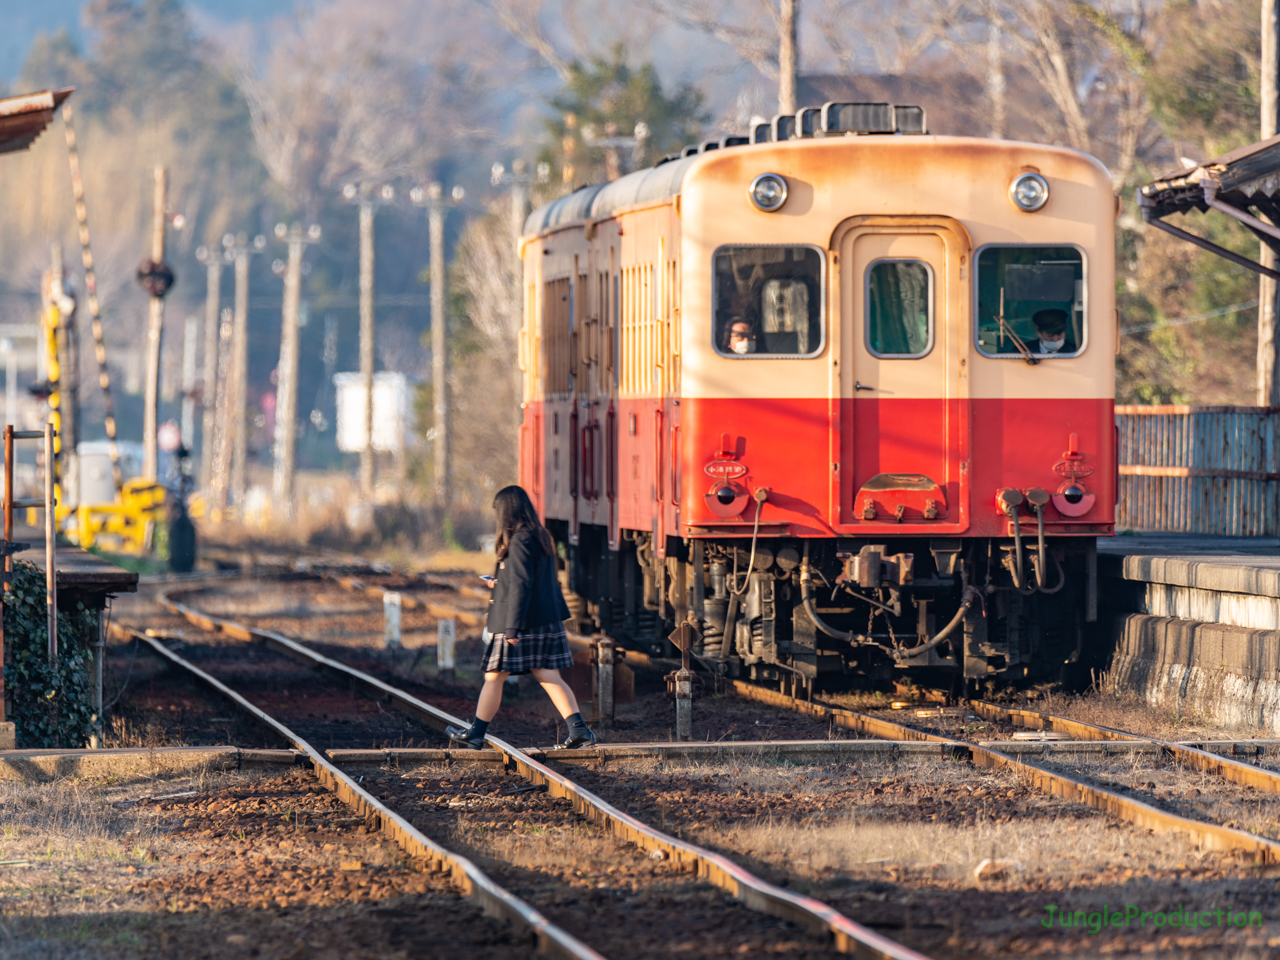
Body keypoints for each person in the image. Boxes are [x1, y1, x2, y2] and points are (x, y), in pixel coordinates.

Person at [446, 485, 596, 750]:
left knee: (495, 676)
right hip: (542, 620)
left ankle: (476, 734)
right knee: (548, 675)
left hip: (524, 623)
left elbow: (521, 586)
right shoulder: (538, 536)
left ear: (507, 512)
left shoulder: (521, 541)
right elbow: (524, 583)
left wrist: (512, 628)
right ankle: (580, 732)